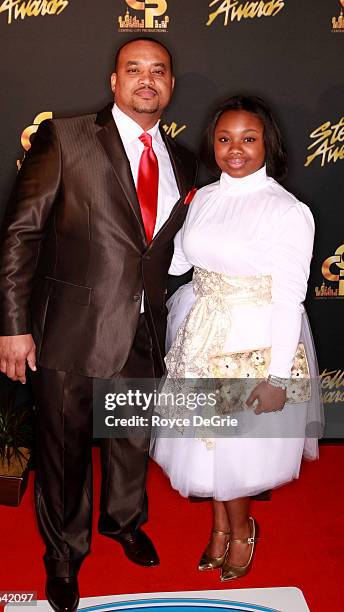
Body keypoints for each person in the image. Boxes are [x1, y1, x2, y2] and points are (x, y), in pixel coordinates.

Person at [0, 38, 197, 612]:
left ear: (172, 85)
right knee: (64, 449)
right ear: (114, 81)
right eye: (134, 70)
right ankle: (63, 555)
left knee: (132, 436)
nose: (147, 80)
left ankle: (125, 522)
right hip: (69, 328)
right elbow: (20, 236)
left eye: (159, 71)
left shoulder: (183, 160)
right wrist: (13, 325)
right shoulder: (66, 137)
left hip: (145, 328)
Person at [152, 95, 323, 582]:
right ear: (213, 143)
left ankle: (241, 529)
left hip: (253, 340)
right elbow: (179, 262)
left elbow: (290, 298)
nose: (235, 150)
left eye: (249, 139)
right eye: (225, 139)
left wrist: (274, 377)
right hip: (201, 332)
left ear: (267, 142)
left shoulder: (287, 211)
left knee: (235, 447)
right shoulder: (202, 198)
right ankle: (220, 527)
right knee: (204, 446)